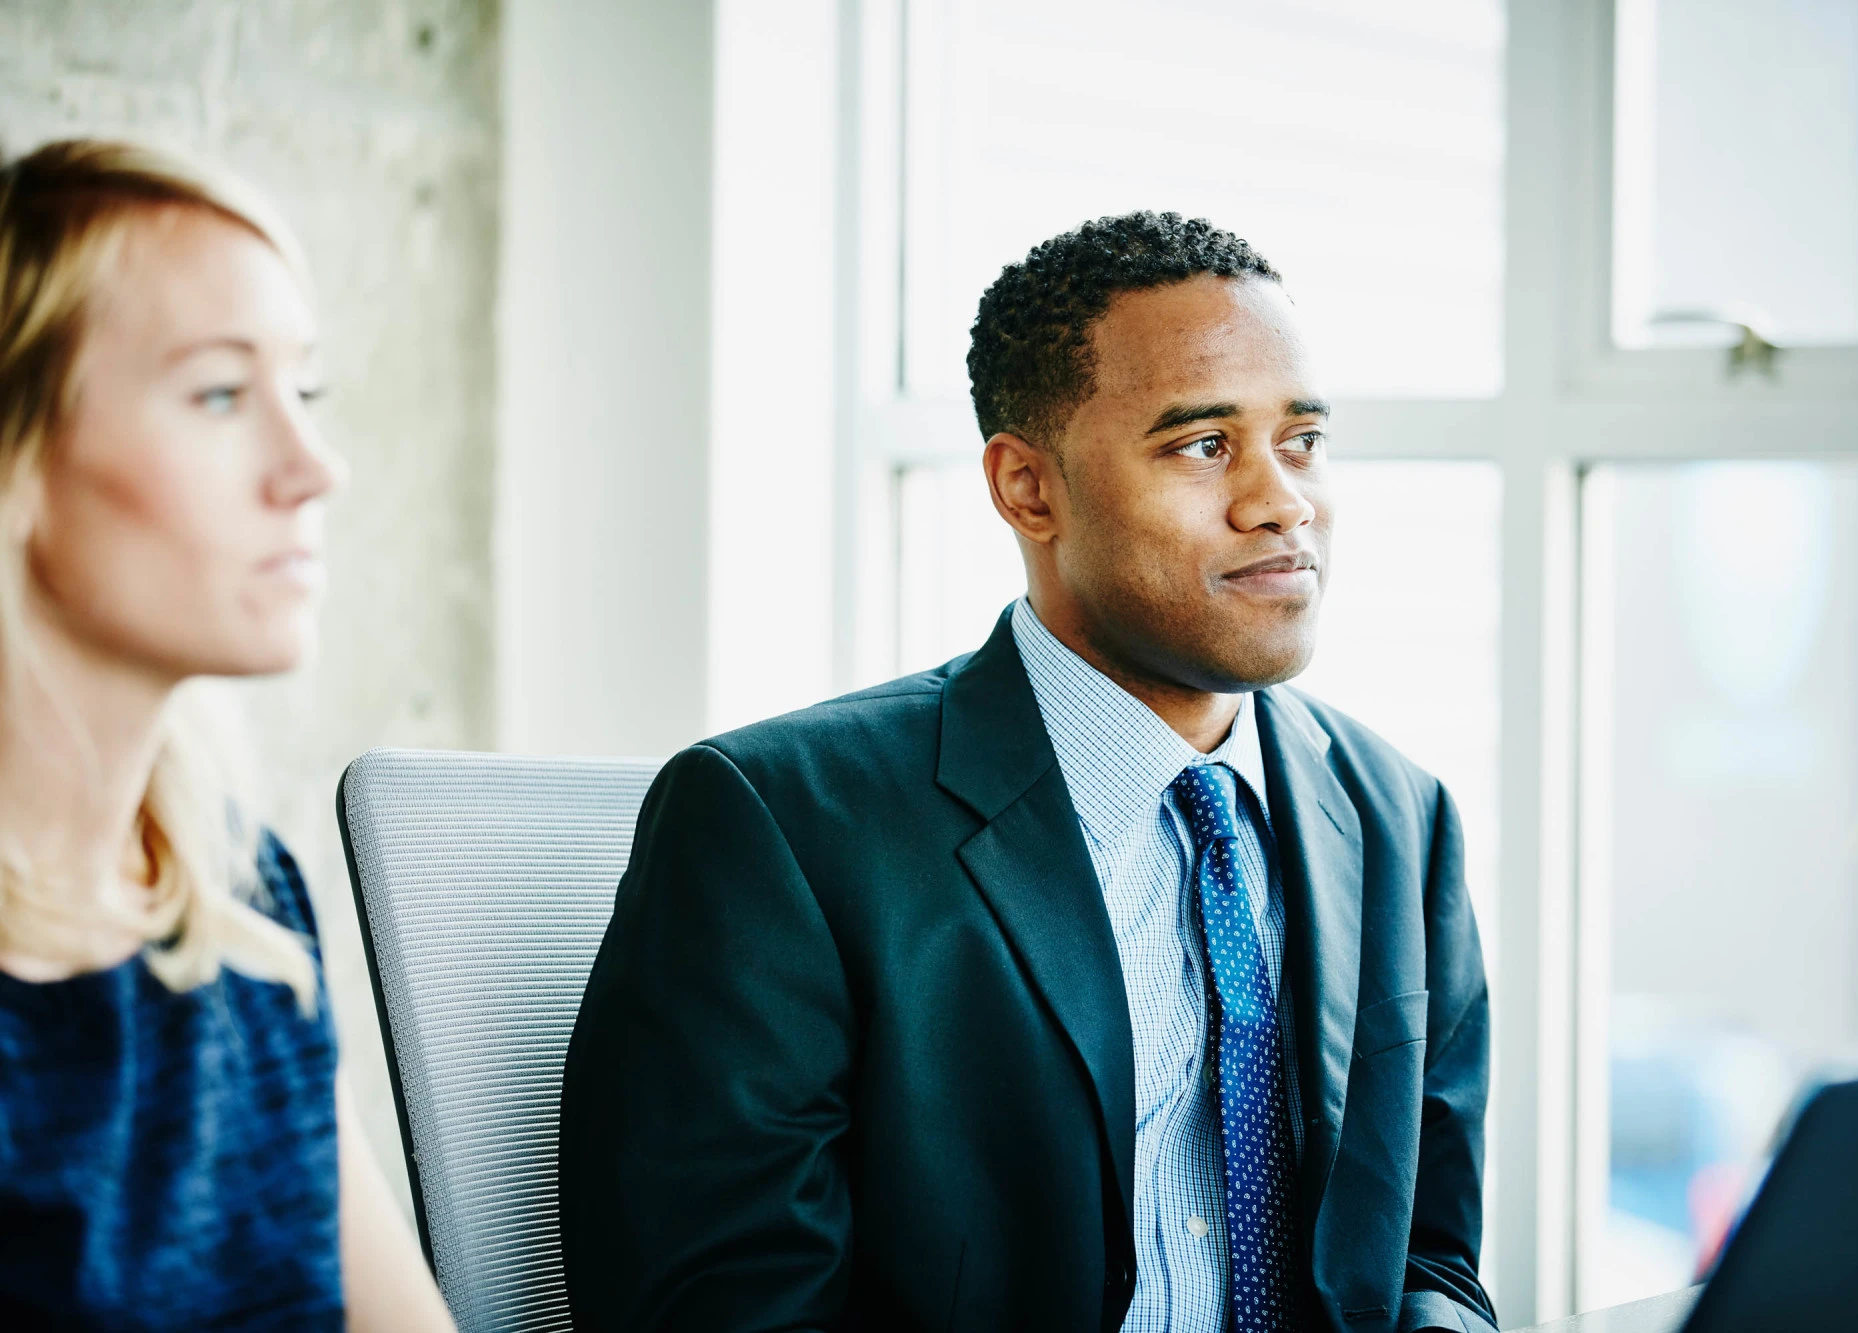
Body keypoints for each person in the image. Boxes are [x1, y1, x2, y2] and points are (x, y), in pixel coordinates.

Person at [561, 212, 1495, 1333]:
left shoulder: (1397, 815)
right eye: (1204, 446)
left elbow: (1426, 1258)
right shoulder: (777, 825)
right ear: (1028, 489)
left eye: (1298, 440)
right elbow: (722, 1313)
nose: (1280, 501)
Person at [0, 140, 456, 1331]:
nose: (315, 467)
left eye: (302, 393)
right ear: (17, 460)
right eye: (217, 393)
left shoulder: (242, 902)